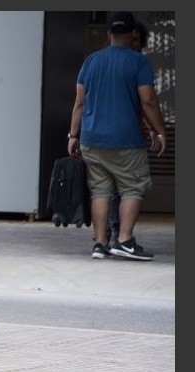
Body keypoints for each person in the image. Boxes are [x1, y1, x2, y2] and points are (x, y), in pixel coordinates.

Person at [68, 11, 166, 261]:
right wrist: (159, 131)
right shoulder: (138, 62)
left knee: (100, 191)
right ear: (133, 34)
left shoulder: (90, 62)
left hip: (92, 140)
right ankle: (124, 240)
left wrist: (73, 135)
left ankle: (100, 244)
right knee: (133, 186)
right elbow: (148, 100)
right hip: (126, 141)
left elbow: (79, 102)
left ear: (108, 33)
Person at [106, 22, 158, 248]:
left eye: (137, 42)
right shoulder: (133, 64)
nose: (133, 45)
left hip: (121, 134)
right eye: (132, 40)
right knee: (122, 188)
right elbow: (146, 101)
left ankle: (110, 235)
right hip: (122, 136)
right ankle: (117, 234)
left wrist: (152, 128)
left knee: (113, 189)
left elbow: (143, 103)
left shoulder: (133, 65)